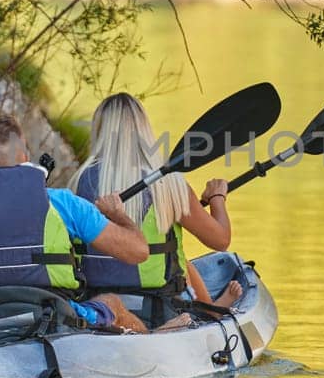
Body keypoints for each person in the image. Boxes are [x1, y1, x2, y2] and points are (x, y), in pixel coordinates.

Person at [0, 115, 153, 334]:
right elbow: (138, 252)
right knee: (112, 303)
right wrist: (118, 215)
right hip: (55, 320)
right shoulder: (65, 205)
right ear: (26, 156)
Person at [71, 92, 241, 312]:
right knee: (175, 254)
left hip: (95, 300)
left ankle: (209, 308)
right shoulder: (168, 184)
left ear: (99, 132)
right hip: (160, 304)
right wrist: (217, 198)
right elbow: (220, 240)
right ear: (143, 131)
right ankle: (210, 311)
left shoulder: (78, 181)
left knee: (177, 255)